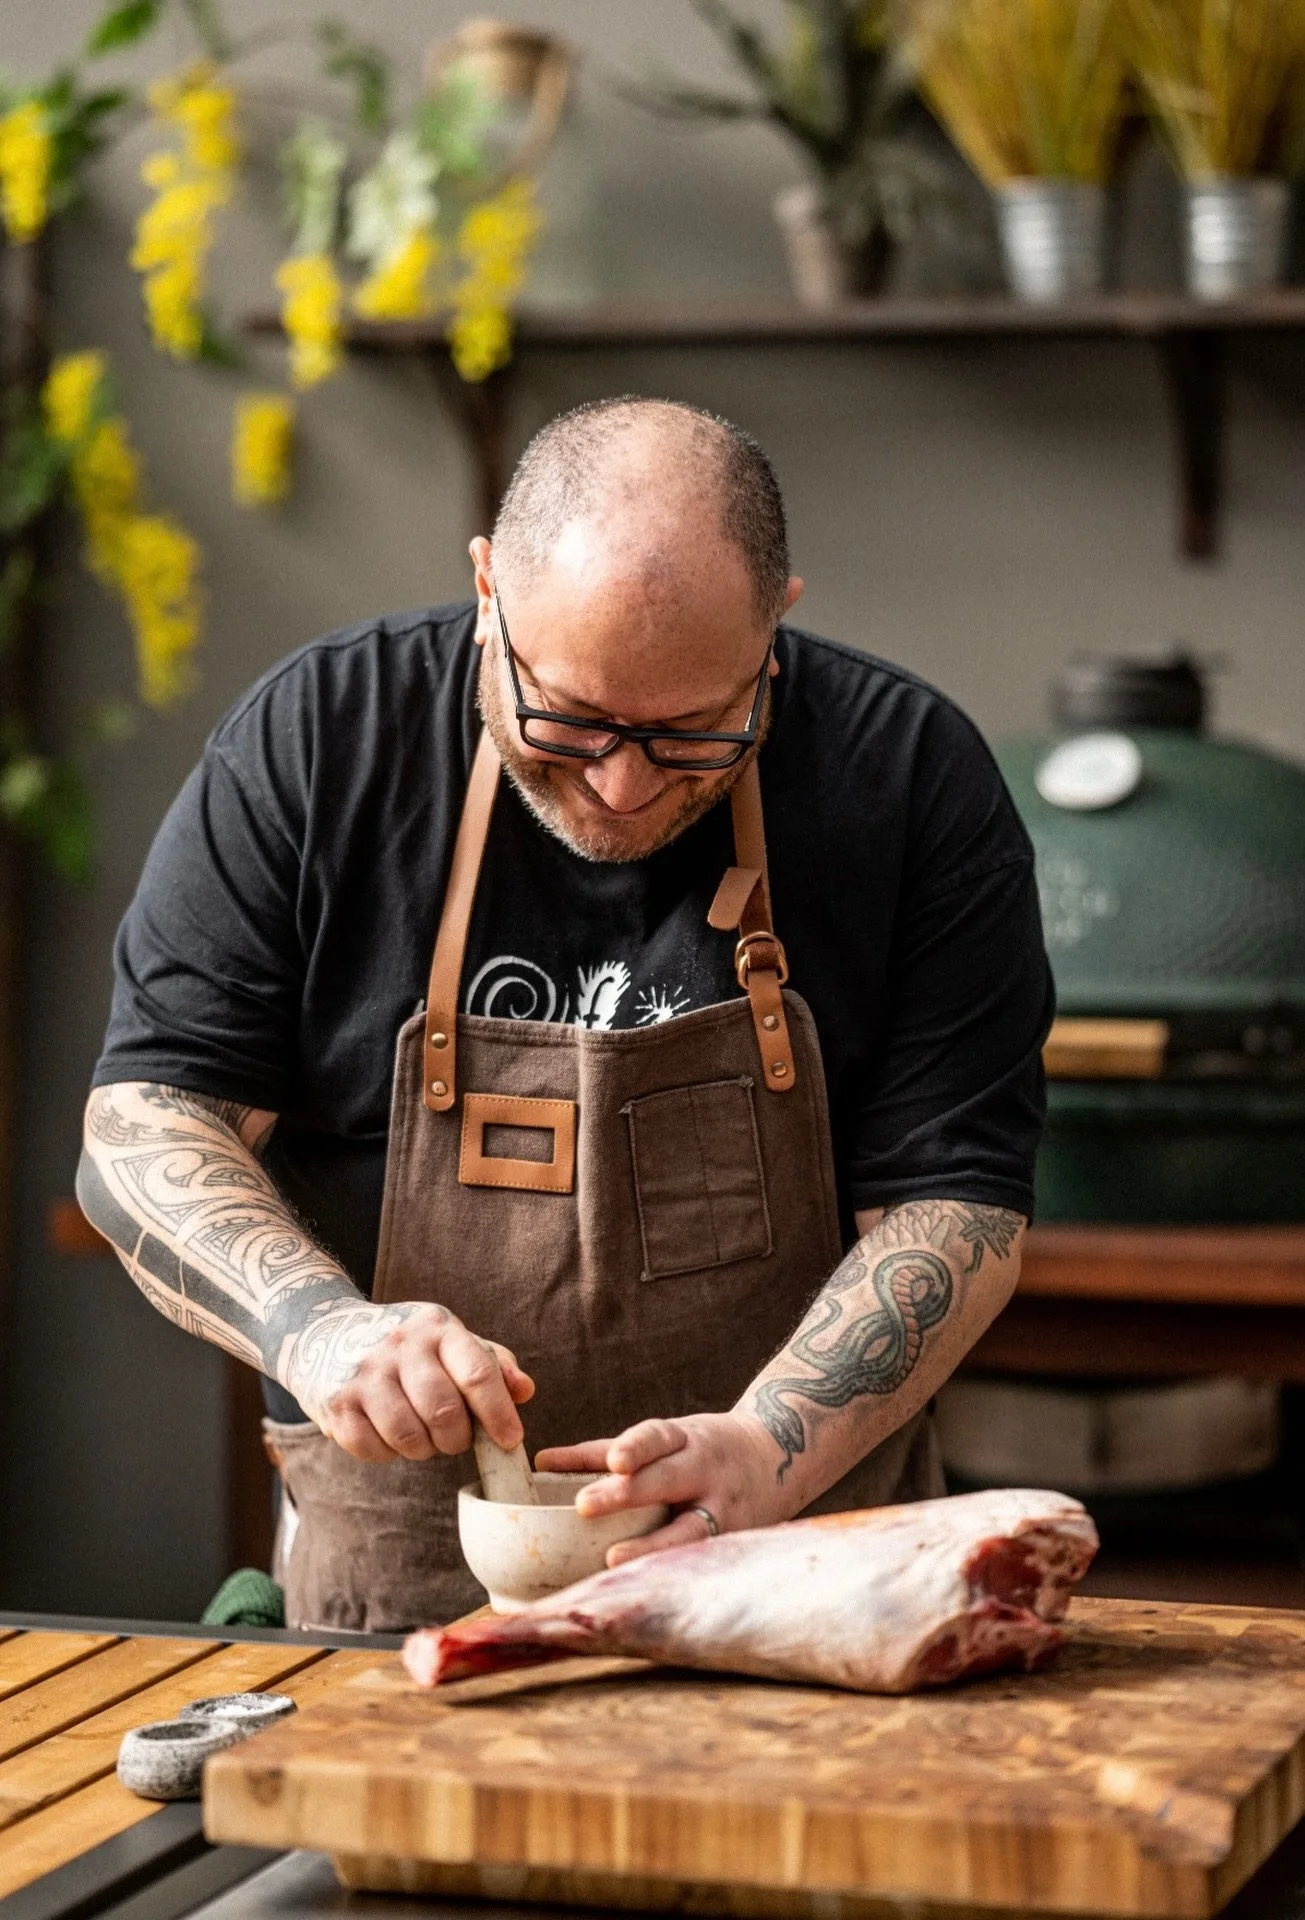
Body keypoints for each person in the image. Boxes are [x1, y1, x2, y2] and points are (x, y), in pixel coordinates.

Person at [78, 397, 1053, 1632]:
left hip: (799, 1585)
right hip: (401, 1609)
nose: (624, 786)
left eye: (697, 733)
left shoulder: (909, 778)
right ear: (487, 589)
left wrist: (767, 1446)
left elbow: (956, 1206)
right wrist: (317, 1331)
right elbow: (145, 1119)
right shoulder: (320, 744)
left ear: (776, 628)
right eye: (570, 719)